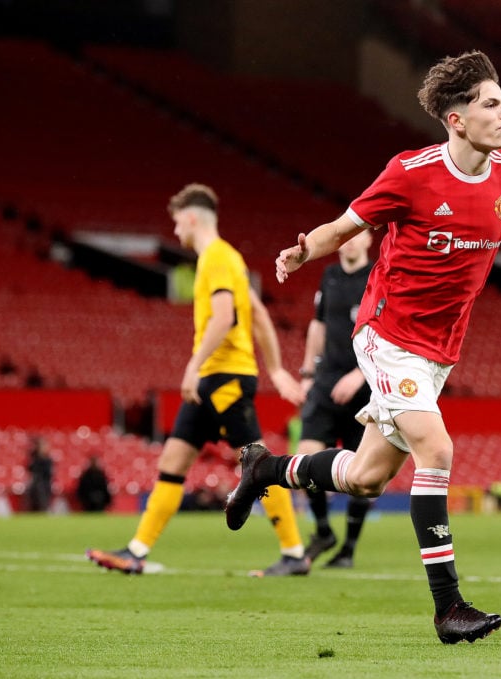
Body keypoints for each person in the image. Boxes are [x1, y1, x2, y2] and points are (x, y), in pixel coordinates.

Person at [224, 50, 501, 644]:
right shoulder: (411, 173)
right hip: (387, 335)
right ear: (457, 119)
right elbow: (347, 225)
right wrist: (304, 250)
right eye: (493, 104)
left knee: (365, 478)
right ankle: (449, 608)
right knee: (436, 451)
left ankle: (266, 468)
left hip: (439, 351)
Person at [87, 183, 308, 576]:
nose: (175, 232)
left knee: (258, 465)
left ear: (190, 217)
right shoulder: (229, 260)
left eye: (176, 223)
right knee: (173, 460)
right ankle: (138, 550)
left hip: (225, 377)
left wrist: (192, 366)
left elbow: (224, 318)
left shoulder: (216, 258)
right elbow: (256, 313)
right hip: (215, 378)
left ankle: (294, 554)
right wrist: (273, 368)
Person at [298, 231, 375, 569]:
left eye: (358, 235)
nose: (350, 241)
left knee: (364, 472)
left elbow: (384, 331)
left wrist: (359, 373)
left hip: (366, 386)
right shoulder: (328, 276)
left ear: (369, 240)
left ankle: (349, 549)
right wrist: (307, 373)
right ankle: (323, 530)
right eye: (346, 236)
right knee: (305, 458)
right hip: (326, 382)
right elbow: (318, 326)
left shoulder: (377, 277)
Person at [27, 436, 54, 512]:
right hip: (36, 484)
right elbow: (30, 469)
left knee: (44, 504)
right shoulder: (34, 458)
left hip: (45, 484)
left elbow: (49, 473)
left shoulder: (48, 459)